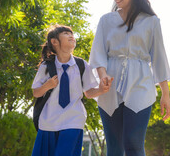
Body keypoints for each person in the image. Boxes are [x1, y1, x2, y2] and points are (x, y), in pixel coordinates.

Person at [89, 0, 170, 156]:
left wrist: (165, 94)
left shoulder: (151, 22)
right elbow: (98, 54)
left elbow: (159, 57)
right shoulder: (106, 20)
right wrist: (102, 77)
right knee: (115, 147)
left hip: (140, 84)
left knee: (134, 144)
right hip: (110, 86)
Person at [31, 25, 112, 156]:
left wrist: (101, 90)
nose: (71, 36)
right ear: (54, 42)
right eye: (65, 33)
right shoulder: (46, 66)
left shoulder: (81, 65)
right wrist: (47, 85)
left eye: (72, 34)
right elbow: (36, 92)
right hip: (49, 122)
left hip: (74, 120)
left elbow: (88, 92)